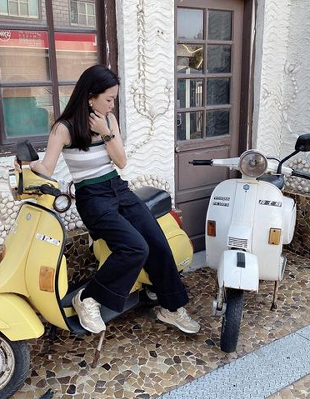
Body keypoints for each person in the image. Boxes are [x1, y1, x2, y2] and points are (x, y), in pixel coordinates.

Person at [15, 65, 200, 335]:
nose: (112, 105)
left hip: (119, 189)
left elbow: (121, 162)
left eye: (114, 99)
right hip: (92, 197)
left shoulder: (109, 121)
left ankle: (171, 308)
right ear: (91, 97)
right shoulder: (63, 128)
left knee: (157, 242)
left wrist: (105, 131)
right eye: (109, 99)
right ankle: (88, 298)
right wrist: (27, 165)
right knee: (135, 247)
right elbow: (47, 168)